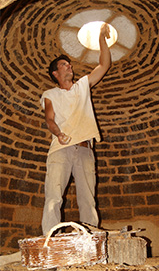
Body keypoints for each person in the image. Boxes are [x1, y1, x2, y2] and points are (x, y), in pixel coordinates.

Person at [40, 23, 111, 235]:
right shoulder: (50, 94)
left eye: (69, 63)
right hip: (60, 149)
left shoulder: (82, 85)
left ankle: (90, 243)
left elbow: (104, 65)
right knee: (54, 197)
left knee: (88, 200)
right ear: (55, 73)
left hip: (85, 149)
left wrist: (101, 38)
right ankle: (50, 241)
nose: (69, 66)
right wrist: (58, 133)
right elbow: (50, 119)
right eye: (64, 64)